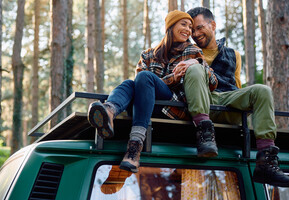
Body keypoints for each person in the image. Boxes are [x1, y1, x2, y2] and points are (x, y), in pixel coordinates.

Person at [87, 10, 218, 173]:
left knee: (143, 77)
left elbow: (213, 83)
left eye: (190, 27)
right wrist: (172, 78)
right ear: (170, 26)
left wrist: (196, 63)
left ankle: (134, 145)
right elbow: (141, 86)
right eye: (183, 24)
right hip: (146, 106)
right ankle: (110, 112)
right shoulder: (148, 54)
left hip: (173, 107)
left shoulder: (193, 51)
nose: (188, 30)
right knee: (132, 82)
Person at [187, 7, 289, 188]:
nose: (196, 34)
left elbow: (236, 87)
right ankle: (204, 134)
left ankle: (266, 161)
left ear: (212, 25)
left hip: (228, 102)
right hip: (203, 103)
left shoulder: (233, 55)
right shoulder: (186, 51)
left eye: (199, 28)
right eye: (192, 31)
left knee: (262, 90)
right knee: (195, 68)